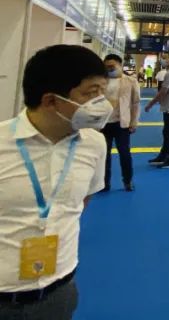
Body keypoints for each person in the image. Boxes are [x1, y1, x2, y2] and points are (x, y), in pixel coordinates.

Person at [0, 45, 110, 319]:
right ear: (51, 100)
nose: (102, 102)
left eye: (103, 91)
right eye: (91, 93)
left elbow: (81, 201)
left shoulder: (94, 144)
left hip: (58, 292)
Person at [101, 54, 140, 192]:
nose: (109, 68)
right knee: (103, 155)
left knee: (124, 153)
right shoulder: (100, 81)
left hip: (122, 123)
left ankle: (128, 181)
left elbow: (135, 103)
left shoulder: (130, 81)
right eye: (107, 66)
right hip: (103, 123)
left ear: (120, 65)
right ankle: (104, 183)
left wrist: (134, 122)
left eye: (112, 66)